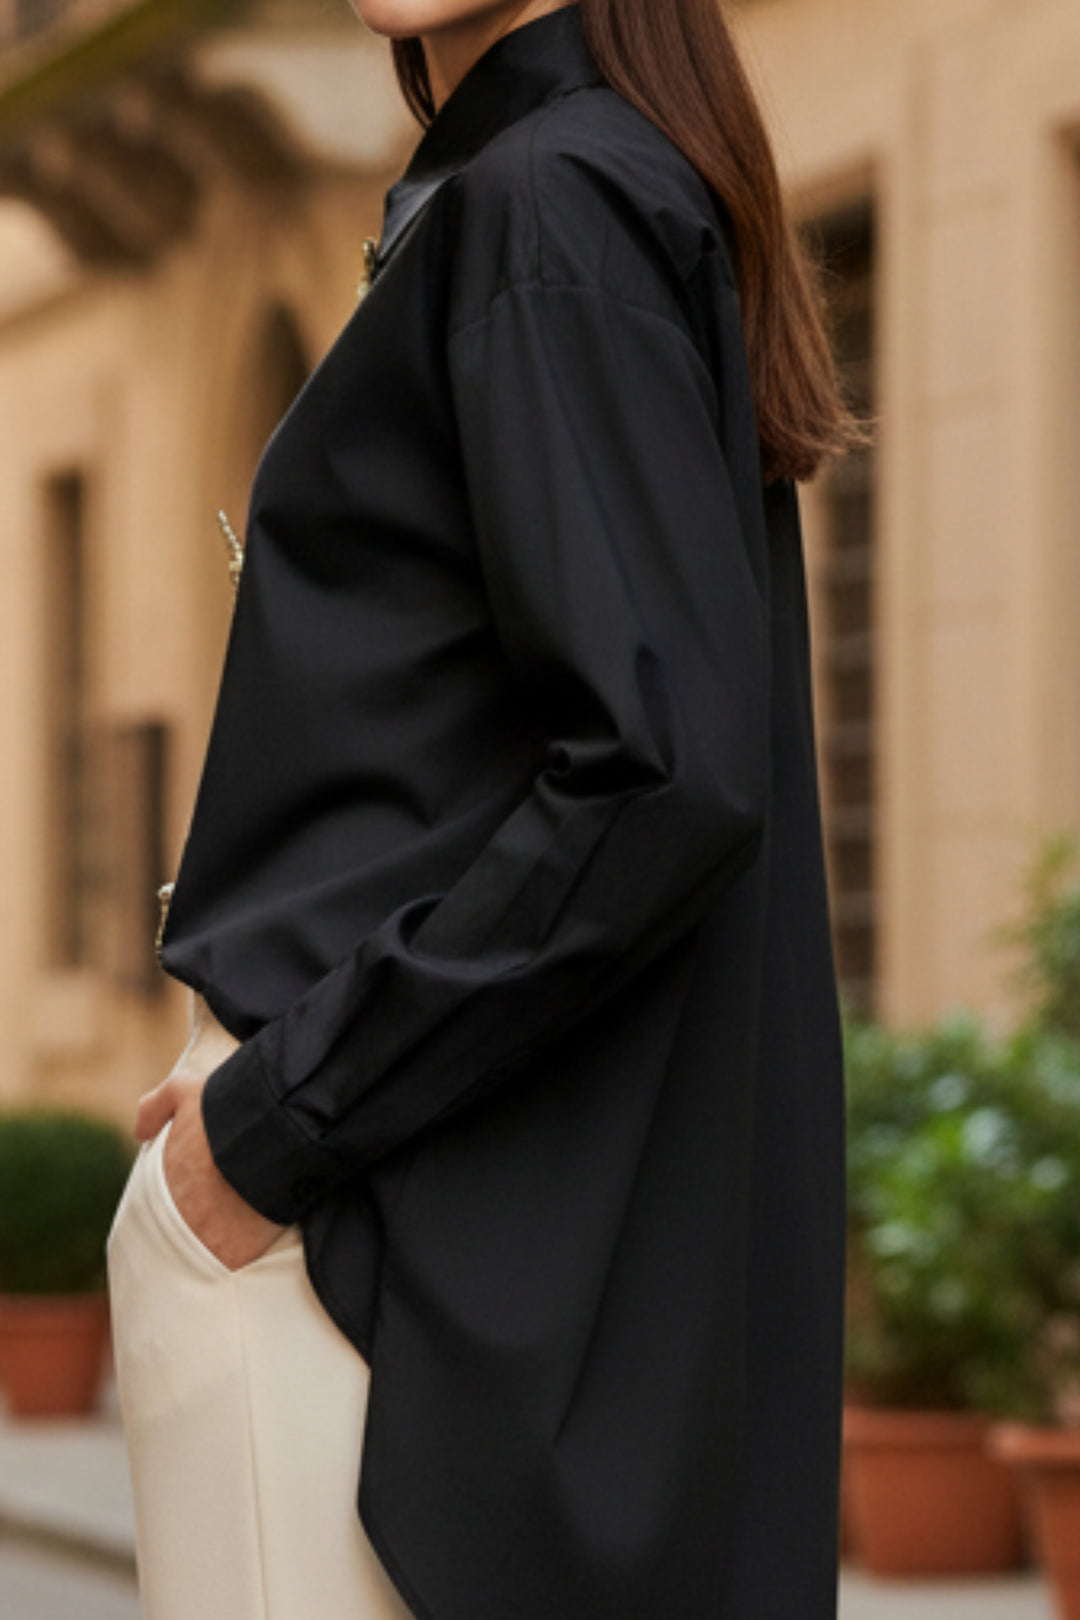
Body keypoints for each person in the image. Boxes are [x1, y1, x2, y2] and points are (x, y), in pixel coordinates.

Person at [106, 2, 866, 1617]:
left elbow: (659, 774)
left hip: (361, 1237)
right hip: (394, 1226)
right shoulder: (558, 187)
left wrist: (274, 1120)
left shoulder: (548, 202)